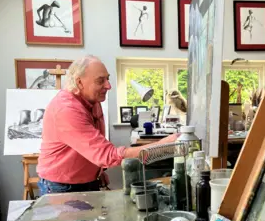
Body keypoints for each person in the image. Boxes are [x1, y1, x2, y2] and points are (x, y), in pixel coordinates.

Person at [37, 55, 178, 195]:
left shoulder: (93, 100)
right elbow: (107, 155)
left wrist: (97, 171)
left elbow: (92, 146)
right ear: (79, 82)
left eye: (107, 79)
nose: (108, 86)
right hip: (62, 187)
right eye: (100, 81)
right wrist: (164, 146)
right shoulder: (67, 109)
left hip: (86, 181)